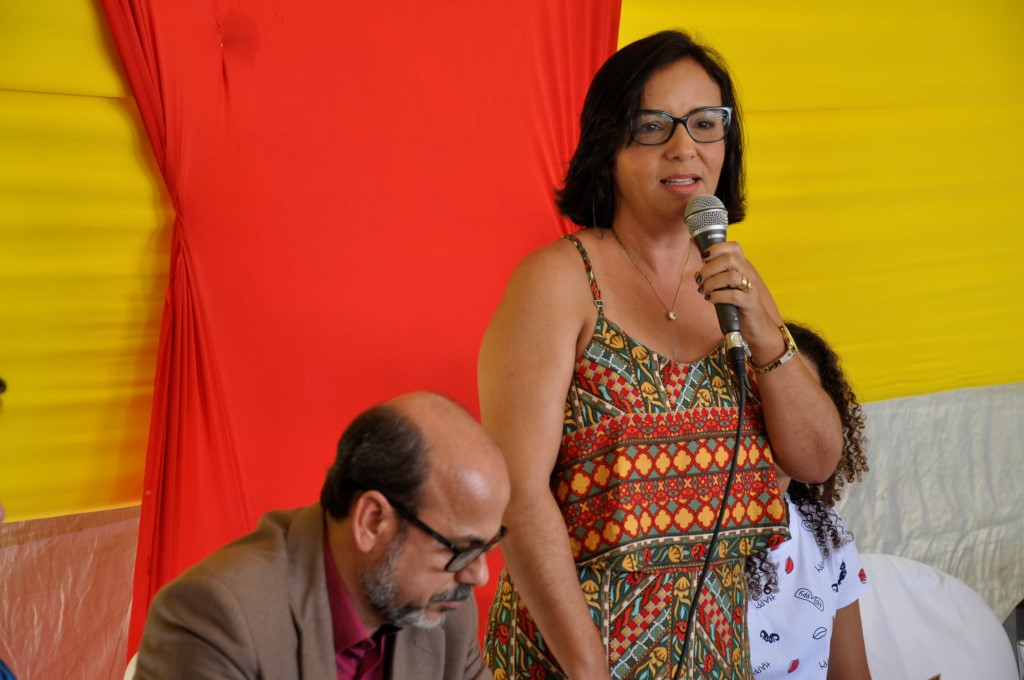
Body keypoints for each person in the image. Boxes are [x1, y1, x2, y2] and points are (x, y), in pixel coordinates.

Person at [479, 30, 843, 680]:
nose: (685, 147)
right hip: (570, 659)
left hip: (713, 656)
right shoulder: (558, 282)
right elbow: (519, 493)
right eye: (654, 126)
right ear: (609, 146)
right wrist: (587, 665)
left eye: (705, 123)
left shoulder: (736, 284)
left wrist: (767, 335)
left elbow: (815, 461)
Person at [133, 391, 510, 680]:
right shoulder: (217, 616)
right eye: (462, 548)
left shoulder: (445, 612)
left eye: (488, 546)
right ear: (372, 522)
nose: (479, 576)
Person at [746, 323, 872, 679]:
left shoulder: (826, 534)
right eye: (757, 397)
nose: (776, 417)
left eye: (797, 402)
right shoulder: (692, 537)